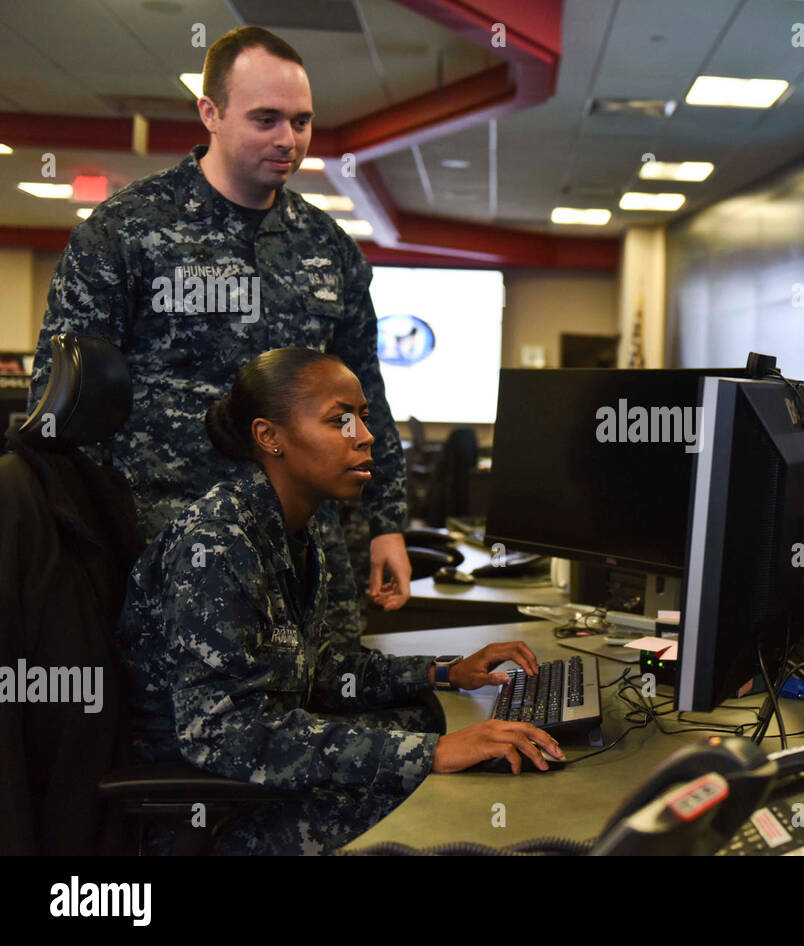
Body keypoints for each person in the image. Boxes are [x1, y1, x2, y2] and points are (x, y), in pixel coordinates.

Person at [29, 25, 407, 651]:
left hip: (306, 558)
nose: (289, 141)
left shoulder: (329, 248)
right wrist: (76, 550)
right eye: (266, 119)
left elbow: (365, 393)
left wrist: (387, 524)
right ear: (210, 112)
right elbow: (61, 408)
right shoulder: (126, 232)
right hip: (169, 554)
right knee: (185, 739)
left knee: (322, 715)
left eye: (301, 121)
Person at [116, 348, 564, 855]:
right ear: (270, 437)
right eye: (340, 420)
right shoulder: (217, 544)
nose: (366, 436)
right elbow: (220, 733)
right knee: (447, 800)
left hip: (258, 774)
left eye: (364, 418)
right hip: (220, 805)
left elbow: (318, 670)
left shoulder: (293, 531)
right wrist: (428, 754)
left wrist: (443, 672)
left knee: (426, 721)